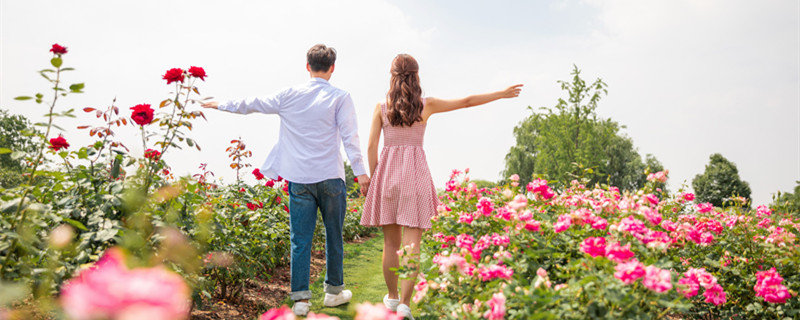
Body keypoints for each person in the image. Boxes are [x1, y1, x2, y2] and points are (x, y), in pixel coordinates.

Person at [201, 44, 369, 316]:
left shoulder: (289, 95)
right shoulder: (341, 97)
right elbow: (351, 138)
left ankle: (301, 301)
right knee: (334, 236)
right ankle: (334, 293)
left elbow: (251, 104)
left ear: (307, 66)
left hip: (299, 179)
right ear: (332, 68)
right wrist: (361, 173)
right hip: (330, 177)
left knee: (300, 240)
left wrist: (221, 104)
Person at [360, 53, 522, 319]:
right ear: (416, 75)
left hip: (387, 176)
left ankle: (391, 298)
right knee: (412, 246)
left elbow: (370, 146)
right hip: (415, 177)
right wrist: (500, 94)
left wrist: (375, 177)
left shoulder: (381, 107)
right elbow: (467, 102)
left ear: (392, 76)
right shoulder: (426, 105)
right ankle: (405, 304)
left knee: (391, 244)